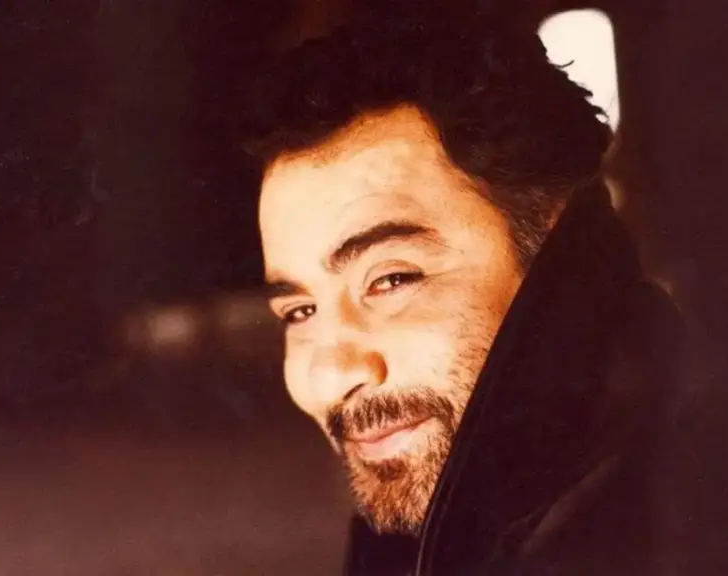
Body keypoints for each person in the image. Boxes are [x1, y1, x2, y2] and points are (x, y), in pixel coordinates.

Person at [241, 10, 685, 575]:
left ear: (565, 260)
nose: (330, 377)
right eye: (300, 311)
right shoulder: (422, 538)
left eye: (390, 280)